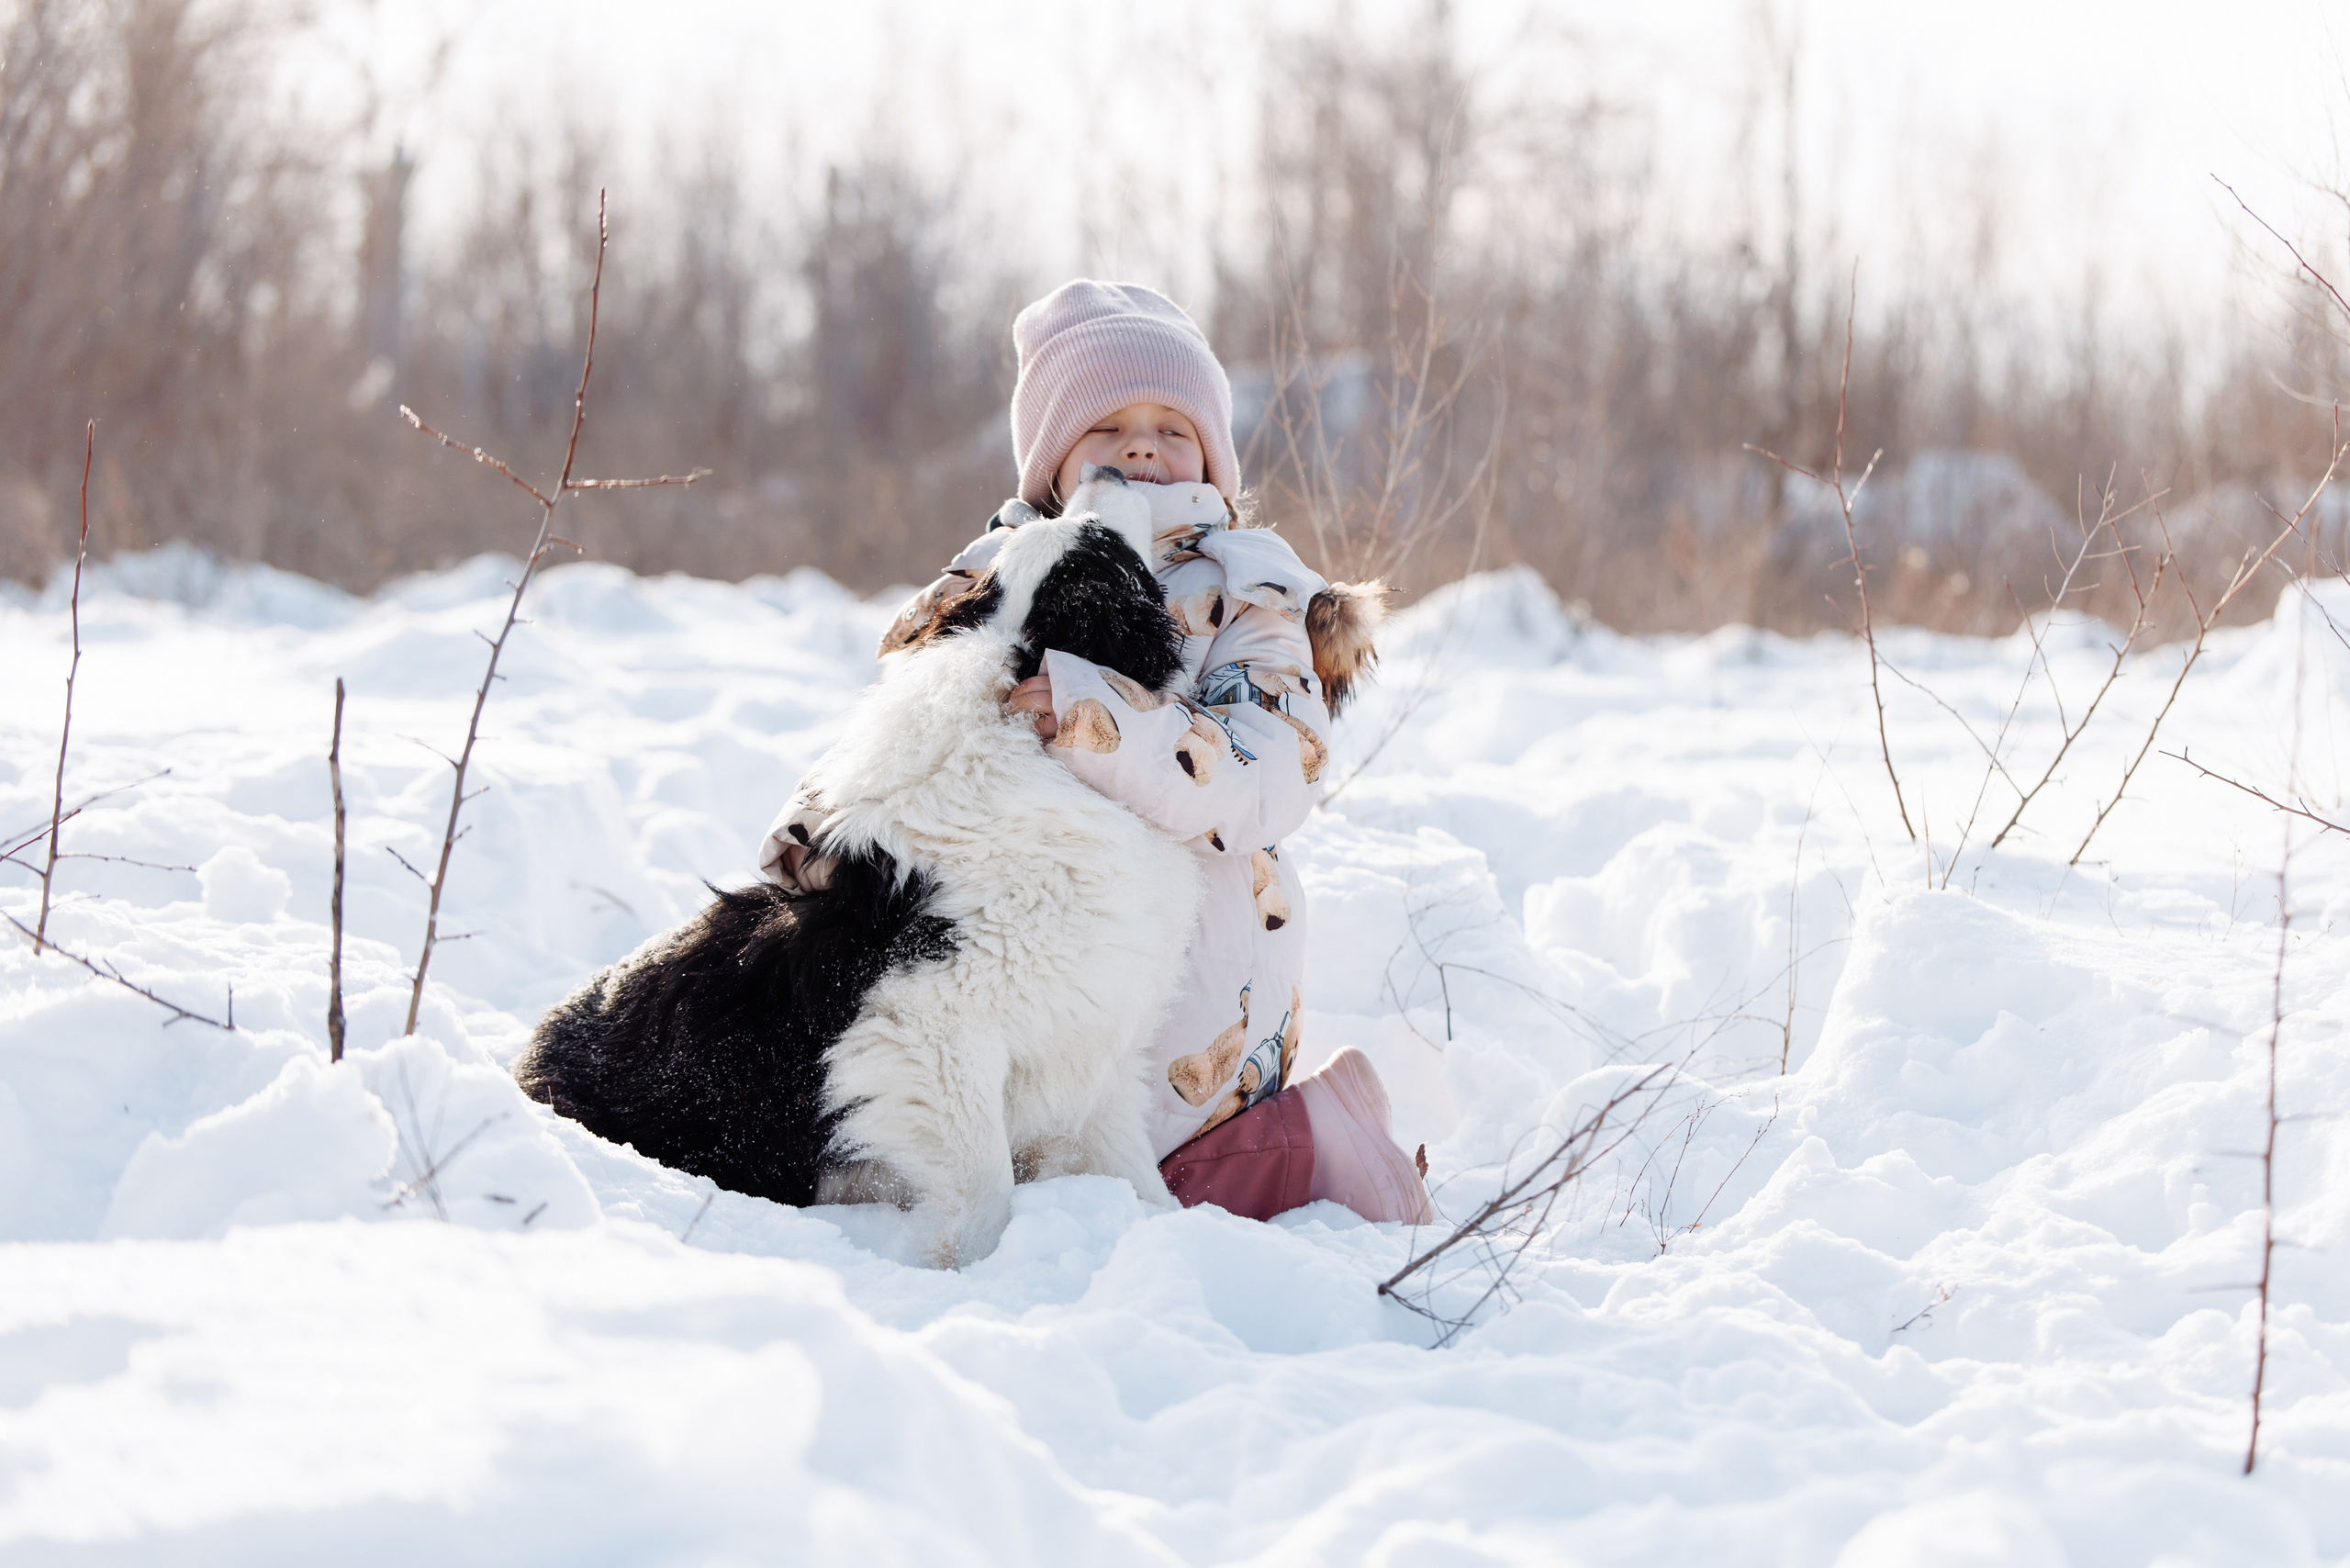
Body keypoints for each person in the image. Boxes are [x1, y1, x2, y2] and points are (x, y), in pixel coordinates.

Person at [760, 279, 1430, 1226]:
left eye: (1171, 425)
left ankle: (1306, 1143)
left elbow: (1268, 773)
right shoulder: (992, 572)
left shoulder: (1250, 587)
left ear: (1214, 452)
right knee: (1012, 1130)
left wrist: (1100, 720)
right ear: (1047, 460)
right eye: (1106, 428)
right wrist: (818, 837)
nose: (1142, 447)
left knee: (1111, 1172)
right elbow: (906, 725)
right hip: (1015, 937)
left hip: (1193, 966)